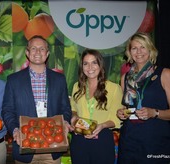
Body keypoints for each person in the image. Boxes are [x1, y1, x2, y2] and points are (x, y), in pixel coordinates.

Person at [1, 35, 72, 164]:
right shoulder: (13, 80)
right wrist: (15, 130)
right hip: (25, 146)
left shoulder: (59, 79)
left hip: (52, 148)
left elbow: (65, 108)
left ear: (47, 53)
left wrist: (65, 122)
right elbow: (7, 110)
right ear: (27, 53)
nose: (38, 52)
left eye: (42, 49)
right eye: (33, 48)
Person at [116, 32, 170, 164]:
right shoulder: (125, 78)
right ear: (130, 52)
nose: (138, 52)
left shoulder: (164, 74)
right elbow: (125, 108)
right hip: (129, 141)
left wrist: (154, 113)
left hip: (155, 140)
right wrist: (121, 113)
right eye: (134, 48)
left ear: (150, 50)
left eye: (143, 47)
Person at [69, 49, 123, 164]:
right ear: (82, 67)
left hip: (102, 140)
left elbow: (117, 119)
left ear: (100, 65)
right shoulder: (77, 87)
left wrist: (102, 125)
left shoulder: (114, 89)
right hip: (79, 139)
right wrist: (74, 117)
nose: (90, 67)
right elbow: (73, 109)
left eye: (94, 62)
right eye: (86, 63)